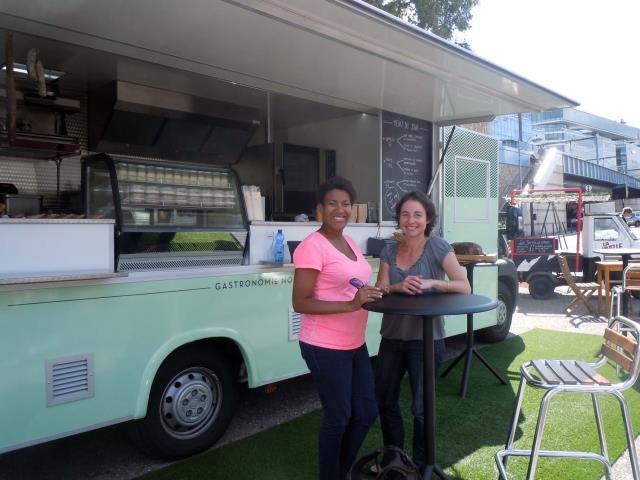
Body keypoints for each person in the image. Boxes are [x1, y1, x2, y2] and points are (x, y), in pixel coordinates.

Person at [292, 176, 381, 480]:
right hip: (324, 346)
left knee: (366, 411)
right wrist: (351, 305)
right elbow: (300, 302)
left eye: (345, 204)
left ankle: (340, 470)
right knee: (339, 416)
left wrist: (375, 293)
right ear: (320, 209)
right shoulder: (311, 246)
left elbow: (353, 285)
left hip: (354, 342)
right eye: (332, 203)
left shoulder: (349, 242)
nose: (339, 209)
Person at [374, 190, 470, 470]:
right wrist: (396, 287)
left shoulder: (438, 246)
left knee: (421, 409)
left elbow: (464, 286)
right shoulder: (389, 250)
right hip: (391, 337)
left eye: (417, 215)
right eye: (405, 214)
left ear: (428, 219)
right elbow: (380, 289)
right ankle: (395, 462)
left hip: (426, 340)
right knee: (386, 401)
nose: (411, 220)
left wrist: (431, 284)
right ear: (399, 219)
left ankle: (419, 466)